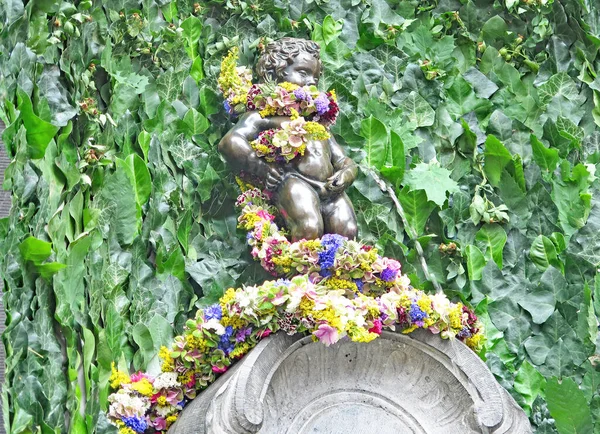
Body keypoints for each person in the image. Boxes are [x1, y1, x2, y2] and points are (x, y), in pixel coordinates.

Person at [218, 38, 358, 242]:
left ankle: (339, 272)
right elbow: (230, 142)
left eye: (315, 78)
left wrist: (346, 174)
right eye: (303, 72)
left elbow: (342, 159)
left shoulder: (317, 122)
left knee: (347, 230)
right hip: (294, 182)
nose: (311, 82)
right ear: (275, 74)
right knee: (309, 228)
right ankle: (300, 272)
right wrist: (263, 169)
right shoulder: (264, 115)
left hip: (331, 188)